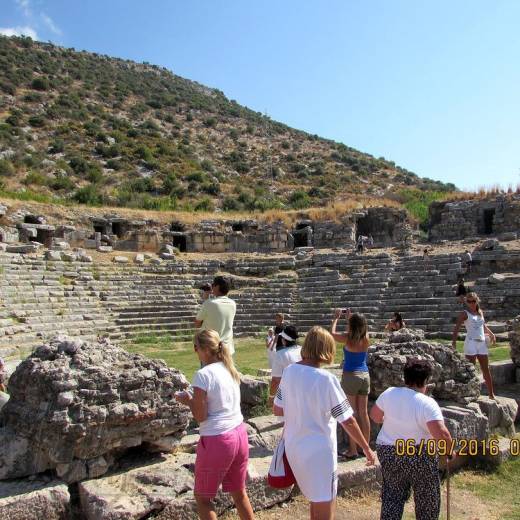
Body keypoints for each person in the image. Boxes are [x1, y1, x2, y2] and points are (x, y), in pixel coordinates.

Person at [273, 326, 376, 520]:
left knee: (315, 499)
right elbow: (347, 419)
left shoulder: (289, 372)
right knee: (325, 502)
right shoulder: (327, 380)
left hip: (294, 447)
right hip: (319, 453)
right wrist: (367, 449)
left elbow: (277, 408)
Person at [175, 329, 254, 520]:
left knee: (203, 498)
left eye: (195, 348)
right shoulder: (229, 368)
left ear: (201, 349)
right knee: (239, 492)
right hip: (239, 433)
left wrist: (188, 401)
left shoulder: (203, 375)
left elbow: (201, 416)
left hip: (217, 439)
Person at [370, 359, 454, 520]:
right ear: (426, 380)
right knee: (426, 499)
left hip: (388, 451)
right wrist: (449, 452)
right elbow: (441, 434)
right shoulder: (427, 404)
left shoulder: (389, 393)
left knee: (392, 496)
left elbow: (375, 416)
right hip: (419, 454)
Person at [331, 309, 371, 459]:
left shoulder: (347, 338)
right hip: (365, 376)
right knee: (363, 413)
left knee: (351, 414)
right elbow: (356, 330)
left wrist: (336, 318)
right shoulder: (366, 337)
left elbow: (332, 334)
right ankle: (365, 447)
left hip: (351, 376)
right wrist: (349, 319)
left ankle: (353, 449)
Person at [451, 292, 496, 399]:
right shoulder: (465, 313)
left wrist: (491, 333)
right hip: (471, 342)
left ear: (477, 301)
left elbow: (482, 325)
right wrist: (454, 342)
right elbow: (457, 327)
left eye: (473, 301)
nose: (471, 303)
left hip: (481, 343)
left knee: (485, 369)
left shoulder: (480, 312)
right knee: (470, 369)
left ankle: (491, 394)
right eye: (469, 301)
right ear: (466, 302)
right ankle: (469, 393)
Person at [195, 276, 236, 355]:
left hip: (210, 350)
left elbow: (197, 323)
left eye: (213, 285)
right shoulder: (232, 304)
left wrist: (206, 299)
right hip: (227, 349)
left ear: (217, 287)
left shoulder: (209, 303)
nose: (212, 287)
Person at [269, 325, 301, 403]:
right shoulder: (303, 350)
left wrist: (271, 397)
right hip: (305, 392)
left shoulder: (280, 355)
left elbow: (275, 381)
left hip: (289, 396)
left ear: (283, 340)